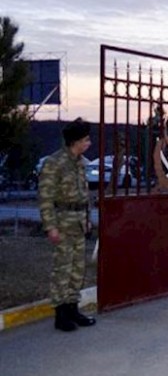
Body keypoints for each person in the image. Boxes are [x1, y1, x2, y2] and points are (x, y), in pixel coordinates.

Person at [38, 118, 97, 332]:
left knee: (77, 269)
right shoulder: (54, 163)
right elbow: (45, 197)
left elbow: (84, 195)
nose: (89, 143)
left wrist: (88, 218)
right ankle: (60, 313)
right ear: (75, 142)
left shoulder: (80, 163)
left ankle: (73, 307)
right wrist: (50, 226)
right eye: (86, 140)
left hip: (79, 222)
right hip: (62, 223)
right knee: (62, 268)